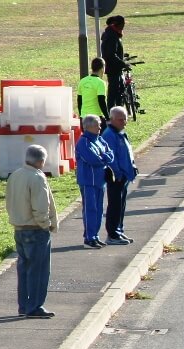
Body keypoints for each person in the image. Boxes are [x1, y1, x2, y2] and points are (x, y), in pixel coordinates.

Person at [5, 145, 58, 319]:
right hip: (35, 229)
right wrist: (46, 224)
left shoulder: (15, 175)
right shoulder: (37, 178)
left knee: (24, 269)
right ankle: (35, 306)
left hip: (19, 227)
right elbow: (40, 207)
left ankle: (24, 305)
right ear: (41, 161)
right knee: (39, 270)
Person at [74, 115, 113, 249]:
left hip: (100, 180)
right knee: (90, 209)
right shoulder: (83, 142)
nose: (100, 127)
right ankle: (89, 237)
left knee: (99, 209)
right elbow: (93, 159)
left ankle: (95, 235)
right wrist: (104, 158)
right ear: (89, 127)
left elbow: (110, 155)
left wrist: (103, 157)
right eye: (97, 125)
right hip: (88, 180)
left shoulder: (100, 139)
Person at [102, 107, 137, 246]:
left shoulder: (119, 133)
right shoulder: (109, 135)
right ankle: (112, 234)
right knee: (115, 205)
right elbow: (111, 158)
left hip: (124, 175)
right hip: (117, 177)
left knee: (120, 205)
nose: (124, 122)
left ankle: (118, 230)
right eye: (121, 119)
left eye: (125, 119)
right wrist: (118, 173)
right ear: (112, 119)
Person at [101, 16, 130, 110]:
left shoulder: (111, 34)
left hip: (114, 68)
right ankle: (112, 112)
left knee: (118, 90)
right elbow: (111, 54)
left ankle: (118, 110)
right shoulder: (112, 36)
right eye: (123, 25)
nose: (124, 27)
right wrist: (122, 63)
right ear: (119, 25)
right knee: (114, 92)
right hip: (113, 69)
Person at [78, 59, 109, 127]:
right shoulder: (101, 83)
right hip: (96, 118)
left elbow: (79, 101)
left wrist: (81, 116)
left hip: (84, 118)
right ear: (102, 68)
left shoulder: (82, 81)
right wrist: (108, 118)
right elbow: (101, 101)